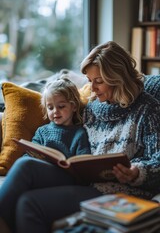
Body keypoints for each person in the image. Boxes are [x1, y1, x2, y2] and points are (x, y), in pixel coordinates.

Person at [1, 41, 160, 233]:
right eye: (89, 80)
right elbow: (64, 121)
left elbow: (157, 160)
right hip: (83, 178)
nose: (92, 88)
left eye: (98, 81)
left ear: (118, 77)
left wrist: (137, 172)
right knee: (25, 166)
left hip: (118, 189)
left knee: (28, 203)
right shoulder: (92, 107)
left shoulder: (148, 110)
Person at [27, 77, 91, 158]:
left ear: (74, 106)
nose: (55, 111)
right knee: (24, 161)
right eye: (50, 108)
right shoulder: (42, 131)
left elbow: (84, 160)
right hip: (41, 168)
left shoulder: (79, 133)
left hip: (65, 170)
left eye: (61, 106)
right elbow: (30, 154)